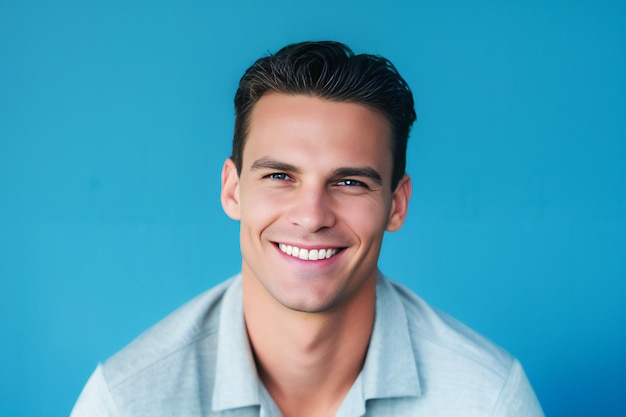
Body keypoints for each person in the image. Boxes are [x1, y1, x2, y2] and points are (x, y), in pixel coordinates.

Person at [71, 41, 544, 417]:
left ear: (396, 206)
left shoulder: (487, 401)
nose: (312, 215)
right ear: (233, 191)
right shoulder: (127, 403)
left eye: (350, 182)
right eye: (280, 176)